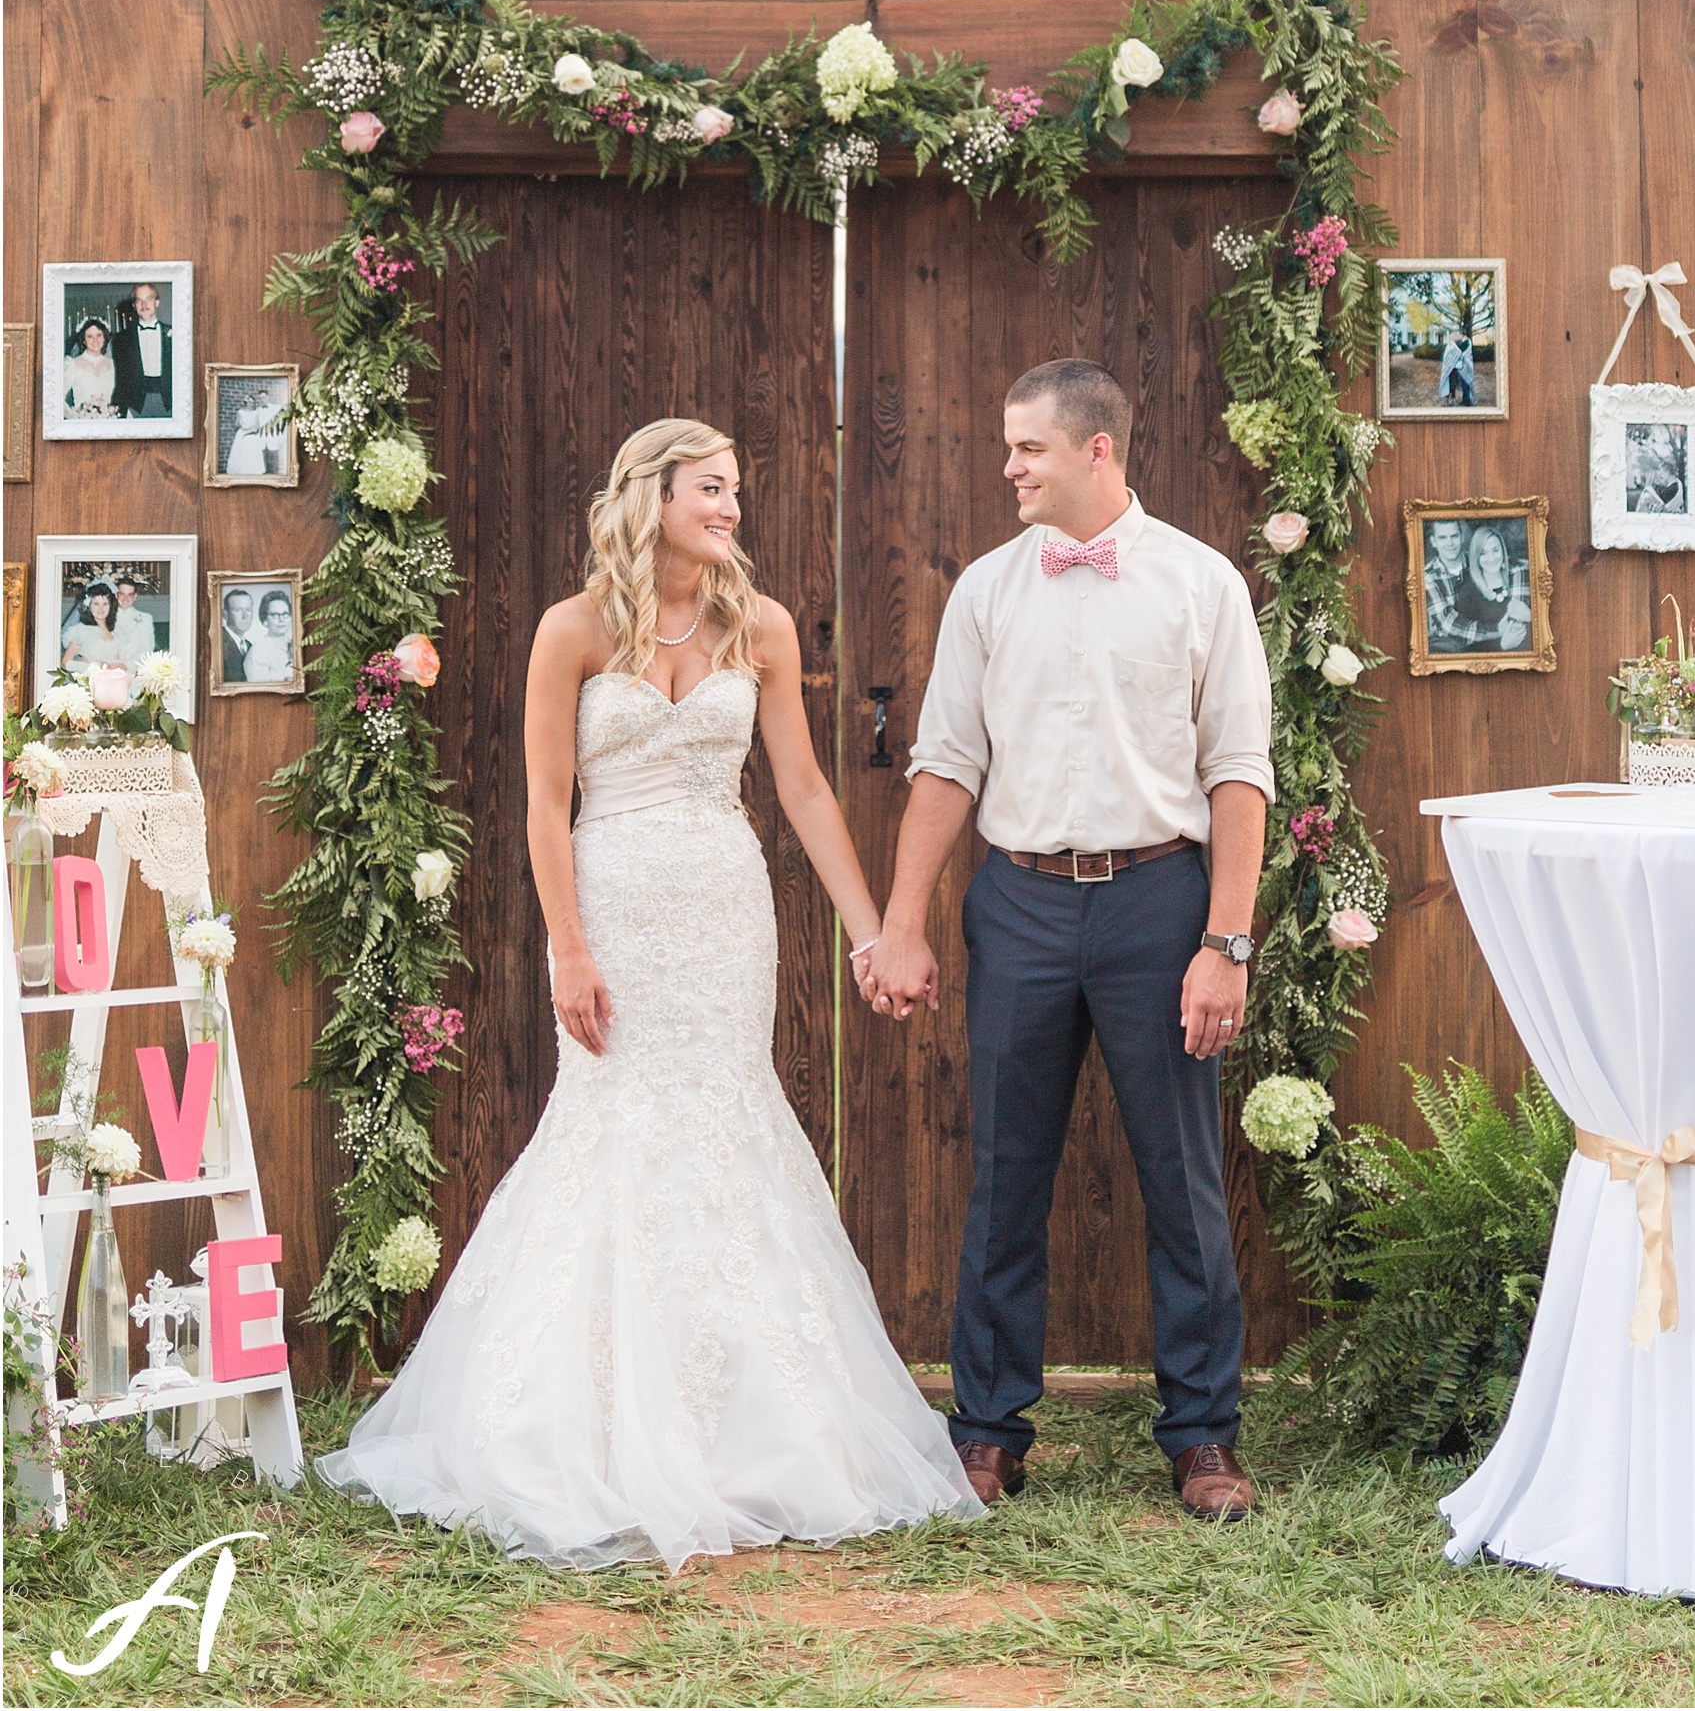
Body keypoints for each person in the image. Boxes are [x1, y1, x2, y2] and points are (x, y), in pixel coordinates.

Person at [318, 417, 981, 1569]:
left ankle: (743, 1429)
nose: (731, 507)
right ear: (653, 494)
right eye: (713, 488)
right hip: (614, 907)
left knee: (726, 1122)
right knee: (609, 1127)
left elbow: (809, 791)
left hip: (727, 910)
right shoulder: (571, 629)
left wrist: (873, 929)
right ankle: (585, 1422)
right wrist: (567, 947)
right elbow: (542, 801)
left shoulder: (760, 624)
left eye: (736, 489)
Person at [860, 360, 1275, 1523]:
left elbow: (1239, 770)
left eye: (1027, 447)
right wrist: (902, 923)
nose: (1008, 466)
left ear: (1099, 448)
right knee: (1002, 1178)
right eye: (1009, 445)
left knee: (1184, 1182)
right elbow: (946, 762)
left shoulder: (1203, 583)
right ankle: (987, 1430)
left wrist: (1223, 943)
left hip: (1161, 902)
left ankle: (1203, 1436)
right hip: (1023, 903)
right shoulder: (987, 591)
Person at [1458, 526, 1530, 651]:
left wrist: (1531, 616)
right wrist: (1501, 646)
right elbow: (1467, 647)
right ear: (1476, 558)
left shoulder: (1519, 578)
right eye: (1483, 553)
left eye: (1495, 550)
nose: (1491, 558)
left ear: (1503, 550)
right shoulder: (1468, 592)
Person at [112, 281, 173, 420]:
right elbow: (120, 379)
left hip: (169, 403)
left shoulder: (175, 334)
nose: (144, 305)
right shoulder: (121, 339)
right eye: (139, 300)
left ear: (157, 302)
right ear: (134, 306)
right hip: (137, 404)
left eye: (148, 299)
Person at [1423, 520, 1473, 653]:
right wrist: (1496, 632)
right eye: (1443, 538)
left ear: (1462, 537)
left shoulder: (1479, 562)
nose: (1449, 543)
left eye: (1454, 536)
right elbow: (1448, 625)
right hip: (1447, 652)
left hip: (1484, 647)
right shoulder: (1427, 577)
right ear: (1434, 542)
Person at [225, 386, 286, 479]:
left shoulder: (276, 408)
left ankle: (275, 478)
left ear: (268, 397)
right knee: (260, 459)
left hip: (272, 437)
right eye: (260, 398)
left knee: (273, 460)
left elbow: (282, 421)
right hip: (260, 438)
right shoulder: (257, 411)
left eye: (264, 397)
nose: (262, 400)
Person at [61, 582, 122, 674]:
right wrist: (94, 666)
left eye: (105, 604)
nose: (101, 609)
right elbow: (64, 663)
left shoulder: (115, 632)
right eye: (96, 604)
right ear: (89, 606)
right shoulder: (81, 631)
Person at [63, 319, 117, 417]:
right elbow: (57, 398)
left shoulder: (113, 364)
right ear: (83, 340)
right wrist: (75, 417)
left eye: (99, 335)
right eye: (90, 336)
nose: (95, 340)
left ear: (104, 337)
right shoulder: (72, 364)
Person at [110, 577, 158, 683]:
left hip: (135, 673)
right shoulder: (105, 616)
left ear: (135, 596)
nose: (125, 598)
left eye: (130, 595)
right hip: (109, 671)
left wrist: (126, 666)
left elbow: (147, 649)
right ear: (116, 595)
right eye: (122, 594)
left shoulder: (145, 619)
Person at [244, 589, 296, 683]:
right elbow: (261, 692)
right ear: (265, 621)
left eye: (285, 614)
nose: (281, 619)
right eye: (275, 615)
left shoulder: (294, 645)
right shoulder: (258, 651)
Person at [218, 587, 256, 685]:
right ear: (225, 614)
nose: (245, 616)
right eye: (238, 610)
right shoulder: (218, 642)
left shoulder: (250, 646)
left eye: (248, 610)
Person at [1436, 330, 1475, 406]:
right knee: (1452, 383)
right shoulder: (1459, 342)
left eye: (1457, 335)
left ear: (1461, 335)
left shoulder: (1466, 342)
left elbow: (1458, 350)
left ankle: (1467, 401)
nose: (1456, 336)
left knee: (1465, 383)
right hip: (1455, 367)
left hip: (1463, 368)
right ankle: (1451, 398)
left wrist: (1452, 344)